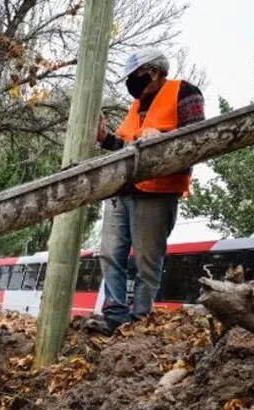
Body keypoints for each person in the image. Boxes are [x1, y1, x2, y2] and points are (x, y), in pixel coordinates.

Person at [86, 47, 204, 335]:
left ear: (153, 71)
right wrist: (105, 139)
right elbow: (128, 148)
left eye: (134, 76)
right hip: (121, 190)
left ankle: (140, 320)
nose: (130, 84)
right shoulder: (135, 106)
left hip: (157, 192)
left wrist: (164, 138)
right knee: (110, 253)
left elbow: (200, 138)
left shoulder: (185, 92)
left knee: (147, 260)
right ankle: (114, 316)